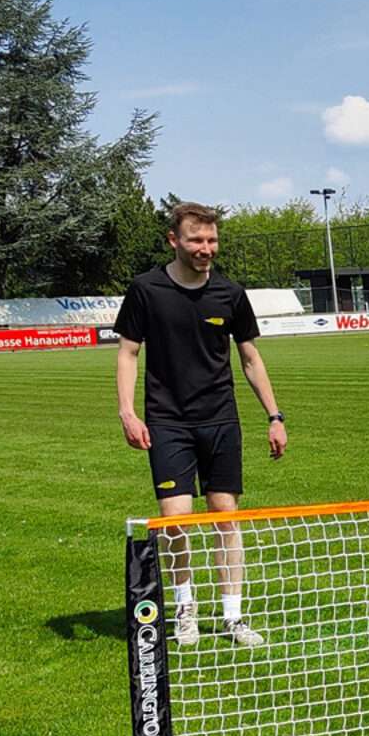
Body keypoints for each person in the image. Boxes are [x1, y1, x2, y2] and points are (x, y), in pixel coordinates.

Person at [114, 201, 289, 648]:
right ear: (174, 240)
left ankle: (234, 618)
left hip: (221, 421)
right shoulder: (146, 290)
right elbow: (128, 354)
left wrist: (274, 416)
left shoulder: (229, 294)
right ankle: (185, 609)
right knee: (175, 522)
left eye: (211, 240)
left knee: (226, 519)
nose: (205, 249)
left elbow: (250, 358)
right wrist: (127, 412)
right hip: (167, 421)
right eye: (196, 240)